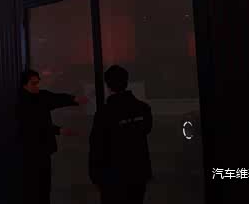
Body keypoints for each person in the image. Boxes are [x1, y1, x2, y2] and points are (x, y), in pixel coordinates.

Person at [17, 69, 88, 204]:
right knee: (38, 188)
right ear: (25, 85)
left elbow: (55, 99)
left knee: (42, 188)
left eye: (37, 83)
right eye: (34, 84)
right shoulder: (23, 103)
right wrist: (59, 130)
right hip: (32, 152)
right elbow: (35, 126)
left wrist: (73, 99)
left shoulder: (37, 97)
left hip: (40, 151)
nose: (37, 87)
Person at [89, 65, 152, 204]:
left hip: (112, 175)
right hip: (138, 172)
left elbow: (97, 146)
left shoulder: (104, 113)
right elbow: (146, 129)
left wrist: (95, 176)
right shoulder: (143, 108)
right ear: (126, 82)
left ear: (108, 86)